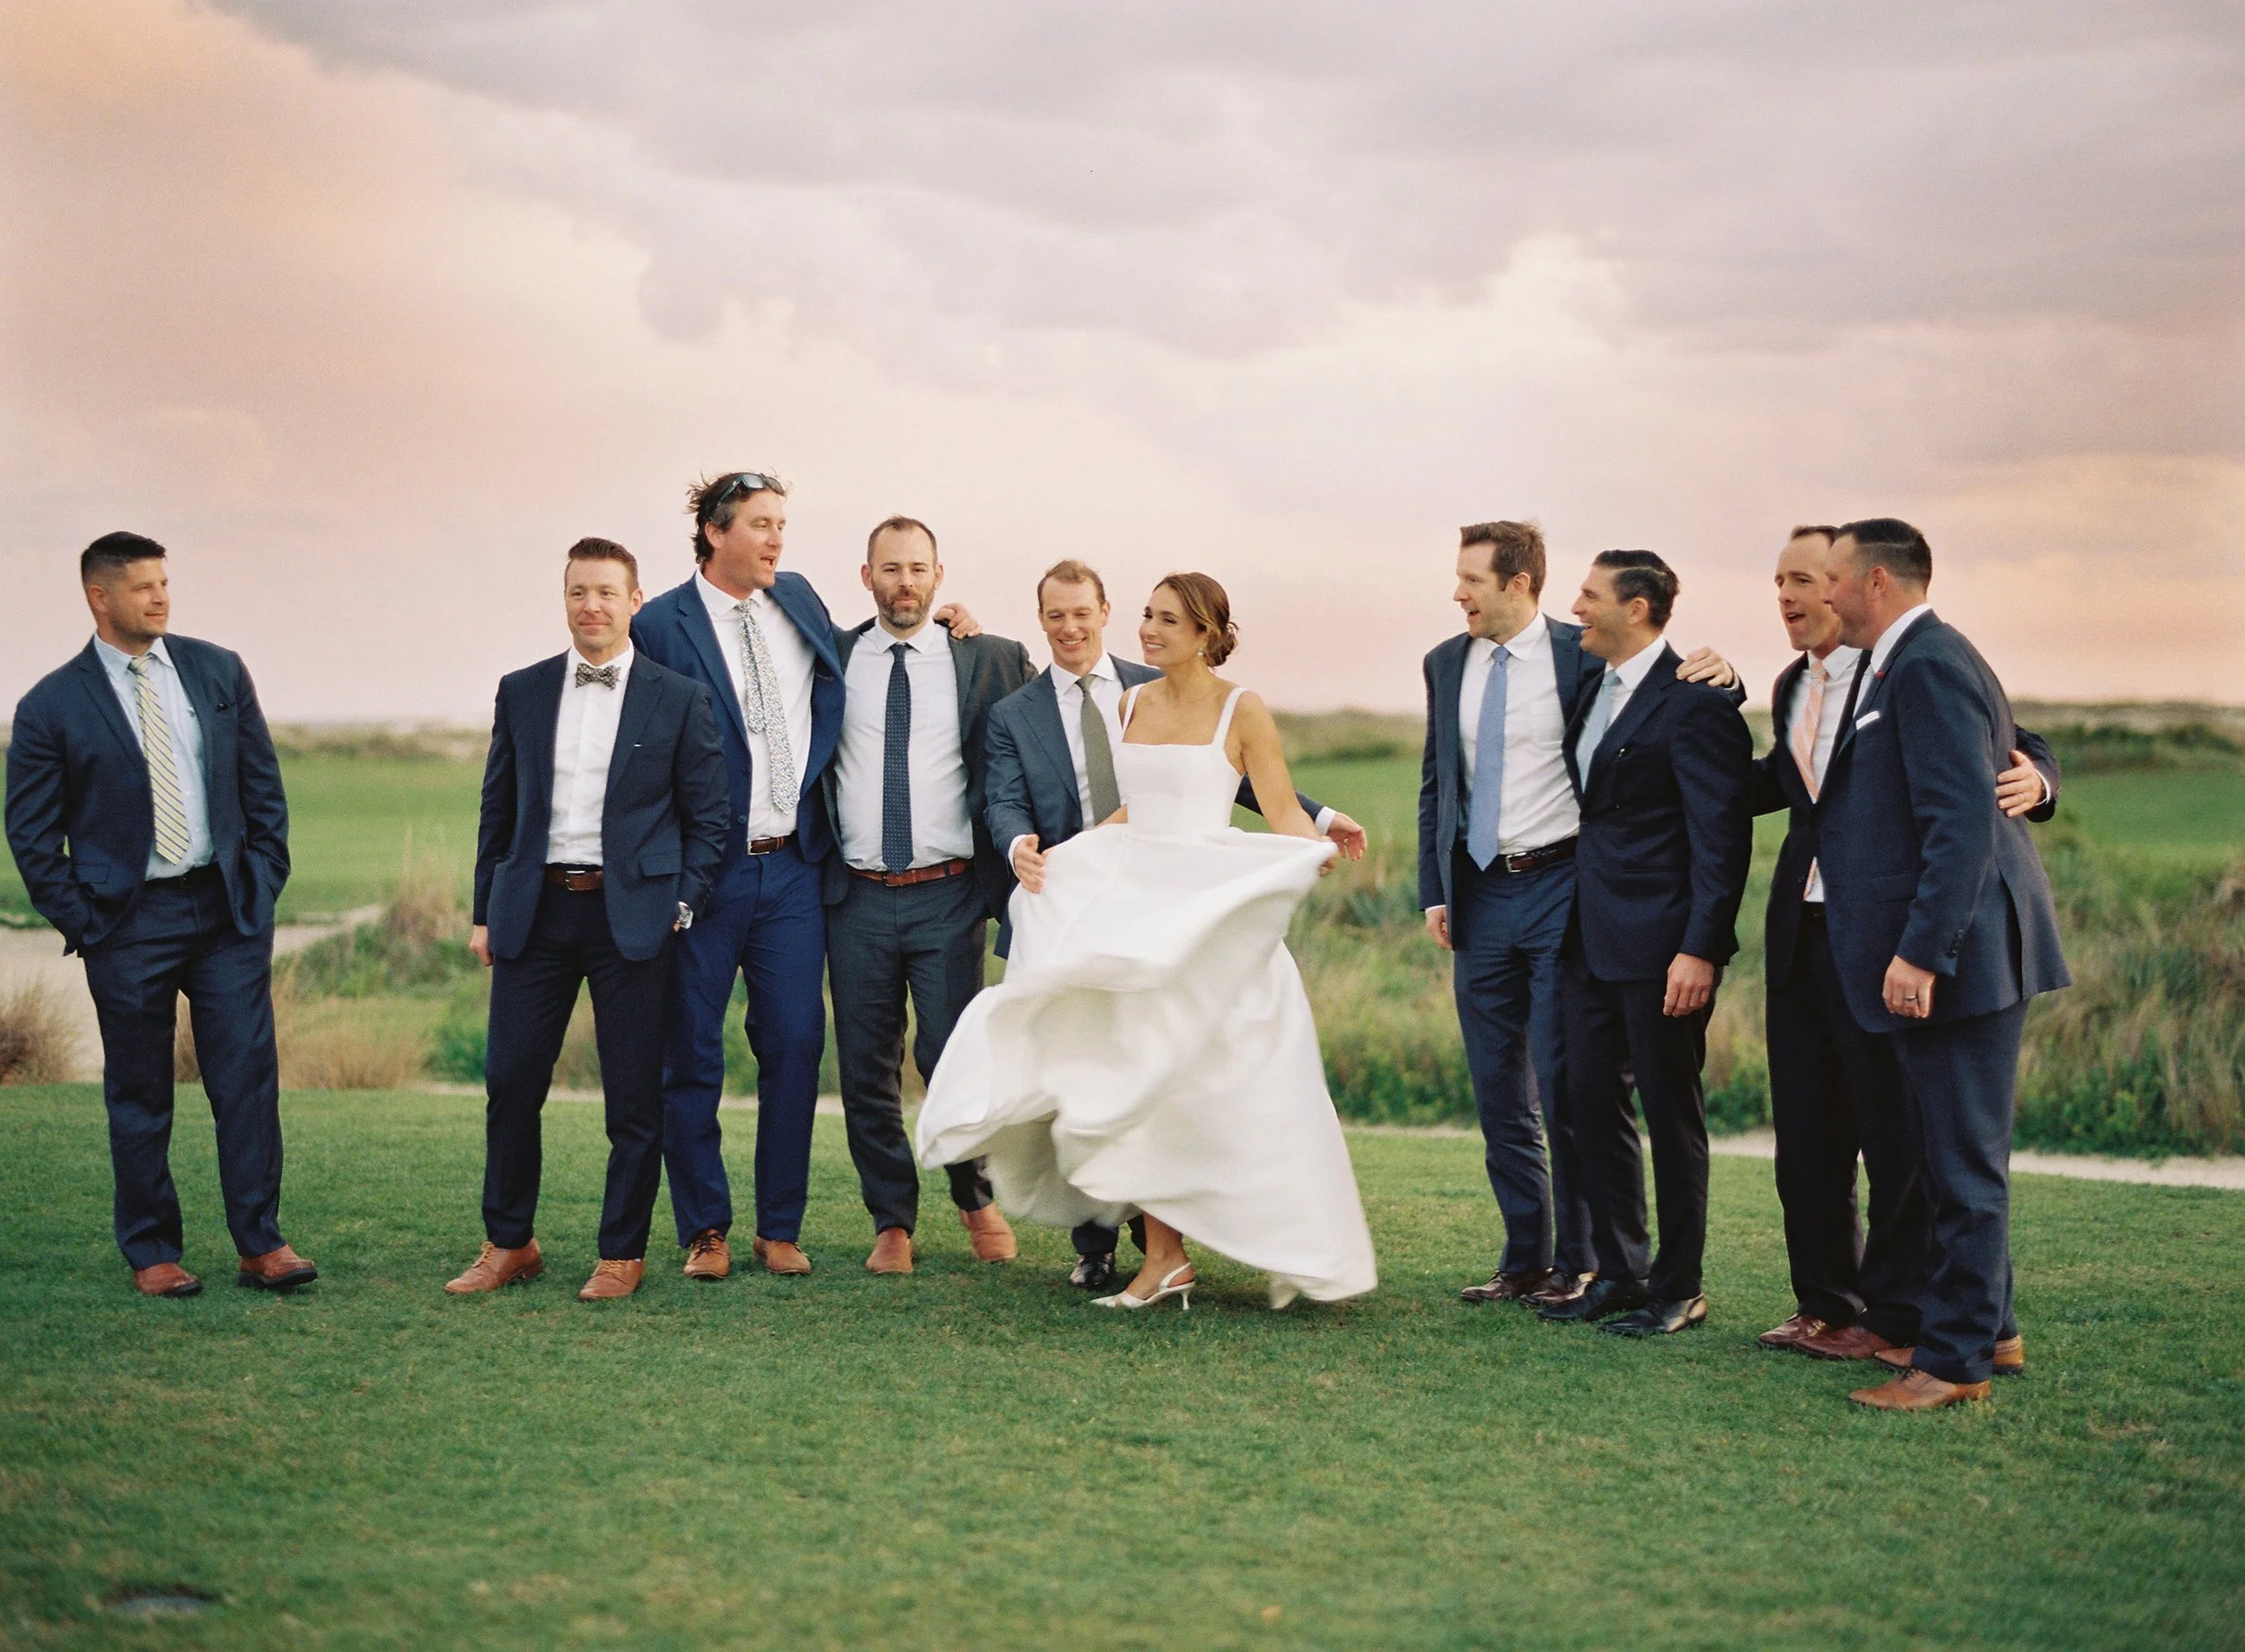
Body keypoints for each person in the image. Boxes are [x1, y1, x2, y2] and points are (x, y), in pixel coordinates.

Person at [919, 574, 1377, 1310]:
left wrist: (1312, 843)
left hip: (1205, 920)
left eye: (1166, 620)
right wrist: (1065, 861)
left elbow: (1280, 806)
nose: (1148, 629)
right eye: (1146, 616)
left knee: (1222, 1086)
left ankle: (1264, 1236)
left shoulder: (1242, 707)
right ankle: (1164, 1258)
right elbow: (1137, 807)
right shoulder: (1132, 701)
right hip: (1139, 911)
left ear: (1205, 633)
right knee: (1143, 1075)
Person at [630, 472, 982, 1279]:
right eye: (761, 524)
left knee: (794, 1044)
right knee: (691, 1054)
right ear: (717, 532)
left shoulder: (799, 600)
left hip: (793, 871)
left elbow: (887, 640)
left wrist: (955, 620)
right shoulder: (660, 625)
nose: (778, 539)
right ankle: (706, 1229)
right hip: (706, 875)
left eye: (782, 523)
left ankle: (777, 1228)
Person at [1749, 526, 2060, 1362]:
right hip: (1820, 931)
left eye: (1817, 578)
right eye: (1782, 579)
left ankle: (1934, 1338)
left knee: (1935, 1155)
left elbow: (1971, 794)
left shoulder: (1913, 664)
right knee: (1882, 1146)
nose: (1799, 595)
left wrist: (1922, 951)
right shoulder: (1813, 680)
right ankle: (1968, 1330)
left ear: (1865, 582)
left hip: (1923, 937)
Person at [1420, 522, 1740, 1312]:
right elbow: (1440, 780)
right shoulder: (1443, 664)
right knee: (1501, 1089)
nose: (1456, 593)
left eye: (1471, 579)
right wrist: (1436, 888)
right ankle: (1525, 1258)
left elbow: (1666, 707)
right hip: (1480, 892)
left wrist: (1725, 677)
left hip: (1567, 890)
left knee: (1570, 1085)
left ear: (1519, 583)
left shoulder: (1581, 654)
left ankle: (1583, 1261)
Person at [5, 532, 308, 1299]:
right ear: (98, 598)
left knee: (246, 1083)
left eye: (165, 582)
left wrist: (263, 881)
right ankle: (152, 1252)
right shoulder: (50, 706)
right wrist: (89, 919)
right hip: (127, 922)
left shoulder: (217, 670)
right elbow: (33, 837)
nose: (160, 598)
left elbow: (262, 789)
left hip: (225, 913)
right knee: (140, 1094)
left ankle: (261, 1244)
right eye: (142, 587)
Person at [447, 539, 728, 1302]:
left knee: (633, 1095)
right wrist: (483, 911)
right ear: (564, 599)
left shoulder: (679, 697)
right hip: (533, 911)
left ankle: (621, 1252)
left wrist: (684, 899)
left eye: (606, 592)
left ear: (635, 600)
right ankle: (509, 1242)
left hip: (631, 917)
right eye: (578, 592)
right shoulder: (523, 689)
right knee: (509, 1083)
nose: (591, 606)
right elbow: (497, 809)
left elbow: (711, 818)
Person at [1538, 550, 1753, 1337]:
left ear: (1637, 608)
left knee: (1671, 1112)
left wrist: (1701, 948)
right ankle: (1623, 1272)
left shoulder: (1694, 703)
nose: (1576, 608)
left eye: (1589, 597)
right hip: (1587, 938)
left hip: (1665, 946)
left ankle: (1680, 1288)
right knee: (1591, 1101)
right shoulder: (1593, 683)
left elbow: (1721, 837)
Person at [822, 517, 1033, 1273]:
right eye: (889, 569)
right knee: (866, 1065)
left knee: (953, 1058)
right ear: (866, 576)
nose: (903, 582)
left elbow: (1054, 732)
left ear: (940, 576)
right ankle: (891, 1222)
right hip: (855, 896)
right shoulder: (831, 656)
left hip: (949, 894)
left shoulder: (988, 659)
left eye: (917, 569)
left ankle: (974, 1198)